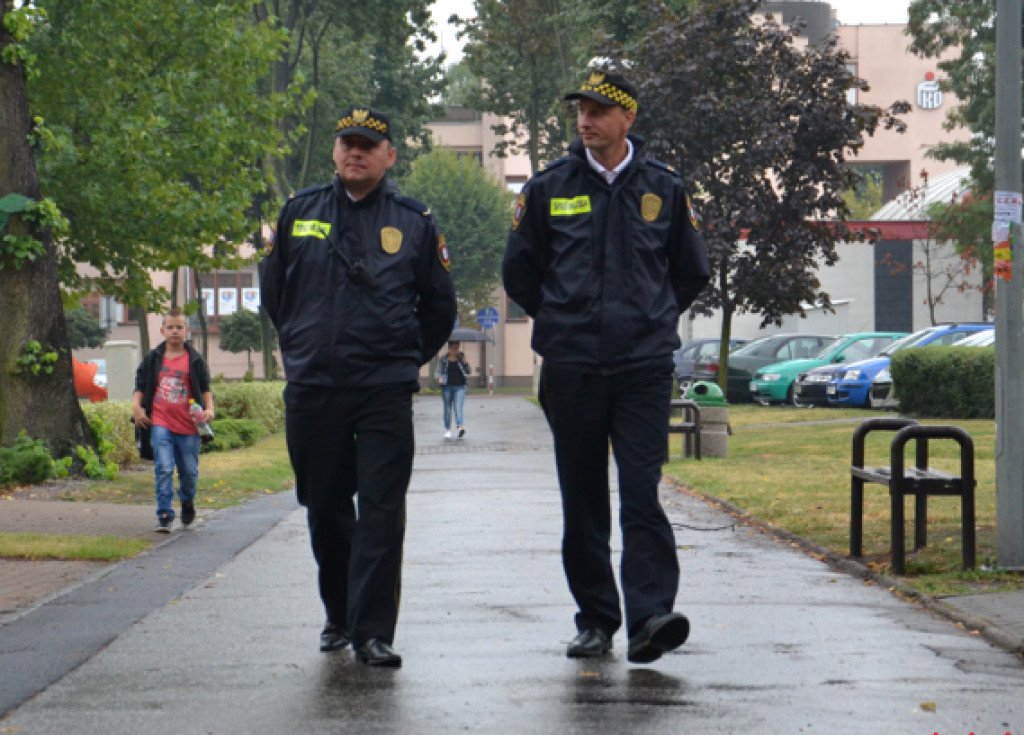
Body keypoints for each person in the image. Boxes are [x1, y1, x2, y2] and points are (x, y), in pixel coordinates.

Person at [503, 67, 711, 664]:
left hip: (643, 368)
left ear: (629, 118)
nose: (585, 121)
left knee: (641, 492)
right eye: (580, 111)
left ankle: (650, 617)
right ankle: (596, 621)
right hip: (572, 369)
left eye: (598, 111)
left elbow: (689, 269)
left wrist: (650, 315)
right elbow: (519, 271)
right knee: (584, 497)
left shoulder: (665, 189)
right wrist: (564, 320)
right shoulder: (547, 188)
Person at [261, 107, 457, 668]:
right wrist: (301, 345)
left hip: (382, 392)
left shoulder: (414, 220)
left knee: (380, 509)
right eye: (348, 143)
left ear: (389, 156)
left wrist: (400, 356)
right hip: (314, 387)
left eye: (369, 145)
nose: (356, 152)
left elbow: (440, 307)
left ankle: (373, 632)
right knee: (324, 506)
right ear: (334, 151)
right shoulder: (298, 213)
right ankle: (339, 613)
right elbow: (275, 293)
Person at [132, 308, 214, 533]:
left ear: (187, 330)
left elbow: (205, 389)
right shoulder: (153, 358)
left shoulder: (195, 360)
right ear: (162, 330)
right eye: (170, 327)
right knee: (164, 468)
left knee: (188, 472)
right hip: (160, 423)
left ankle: (187, 500)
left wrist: (209, 410)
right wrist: (137, 408)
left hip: (188, 426)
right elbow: (139, 385)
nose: (175, 331)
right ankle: (165, 514)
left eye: (179, 327)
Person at [437, 340, 470, 439]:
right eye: (453, 348)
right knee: (447, 409)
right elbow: (437, 371)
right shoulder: (443, 359)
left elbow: (468, 371)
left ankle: (460, 427)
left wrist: (466, 363)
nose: (455, 350)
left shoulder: (460, 358)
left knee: (458, 407)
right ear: (449, 348)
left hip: (460, 387)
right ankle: (448, 429)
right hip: (447, 386)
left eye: (457, 348)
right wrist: (439, 378)